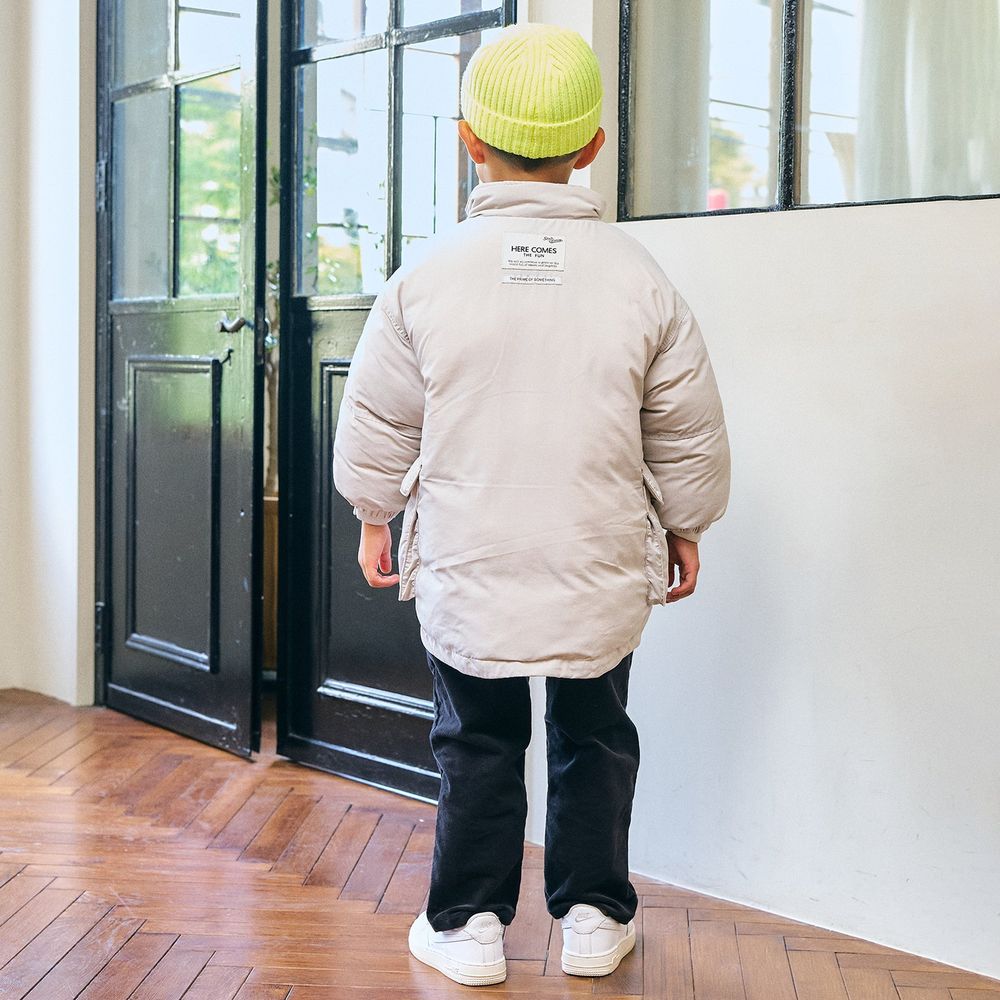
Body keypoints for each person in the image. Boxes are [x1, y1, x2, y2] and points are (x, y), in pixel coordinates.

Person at [332, 21, 731, 988]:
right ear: (592, 147)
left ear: (469, 139)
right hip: (599, 560)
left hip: (469, 560)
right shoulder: (641, 280)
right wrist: (686, 523)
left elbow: (380, 414)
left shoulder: (425, 279)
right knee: (595, 734)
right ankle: (593, 917)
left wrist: (375, 513)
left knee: (475, 738)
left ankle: (467, 925)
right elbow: (685, 424)